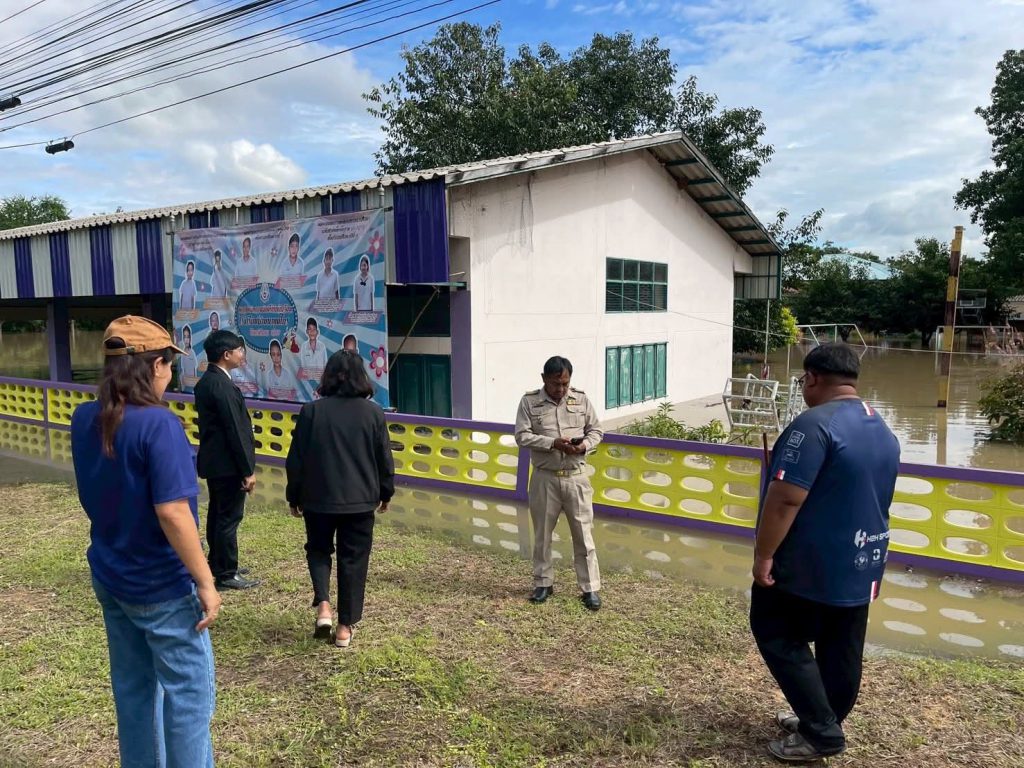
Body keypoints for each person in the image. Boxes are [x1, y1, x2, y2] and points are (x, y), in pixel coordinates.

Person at [70, 315, 220, 767]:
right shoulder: (159, 425)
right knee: (190, 695)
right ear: (155, 365)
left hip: (111, 574)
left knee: (134, 688)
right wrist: (206, 582)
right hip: (163, 585)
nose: (170, 375)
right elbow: (173, 512)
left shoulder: (84, 417)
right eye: (169, 365)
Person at [750, 342, 900, 762]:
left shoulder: (813, 425)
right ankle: (824, 719)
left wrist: (764, 555)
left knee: (776, 631)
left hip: (810, 561)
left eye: (803, 380)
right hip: (864, 557)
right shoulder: (880, 426)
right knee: (841, 645)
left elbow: (785, 498)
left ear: (813, 378)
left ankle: (821, 731)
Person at [286, 350, 395, 647]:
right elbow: (384, 459)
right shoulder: (373, 413)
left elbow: (296, 459)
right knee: (354, 559)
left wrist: (294, 496)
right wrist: (386, 492)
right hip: (360, 500)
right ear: (362, 376)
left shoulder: (311, 411)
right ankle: (345, 628)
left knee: (318, 550)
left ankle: (323, 606)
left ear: (329, 376)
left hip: (317, 499)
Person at [514, 356, 604, 611]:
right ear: (544, 379)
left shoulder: (581, 399)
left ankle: (590, 588)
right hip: (545, 478)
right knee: (542, 535)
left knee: (583, 535)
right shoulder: (529, 402)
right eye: (556, 384)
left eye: (565, 383)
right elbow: (522, 436)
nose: (561, 389)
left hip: (576, 477)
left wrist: (584, 445)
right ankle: (543, 583)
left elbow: (596, 431)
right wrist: (552, 443)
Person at [194, 330, 260, 591]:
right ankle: (226, 573)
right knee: (229, 518)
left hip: (216, 462)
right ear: (226, 354)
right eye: (239, 350)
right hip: (227, 464)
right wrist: (247, 469)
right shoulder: (221, 386)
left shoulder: (208, 381)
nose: (242, 354)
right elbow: (236, 430)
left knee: (218, 514)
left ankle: (218, 562)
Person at [179, 325, 198, 389]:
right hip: (185, 384)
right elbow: (183, 370)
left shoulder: (192, 352)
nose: (186, 340)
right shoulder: (182, 353)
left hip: (192, 384)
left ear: (190, 338)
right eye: (184, 337)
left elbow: (195, 370)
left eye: (188, 337)